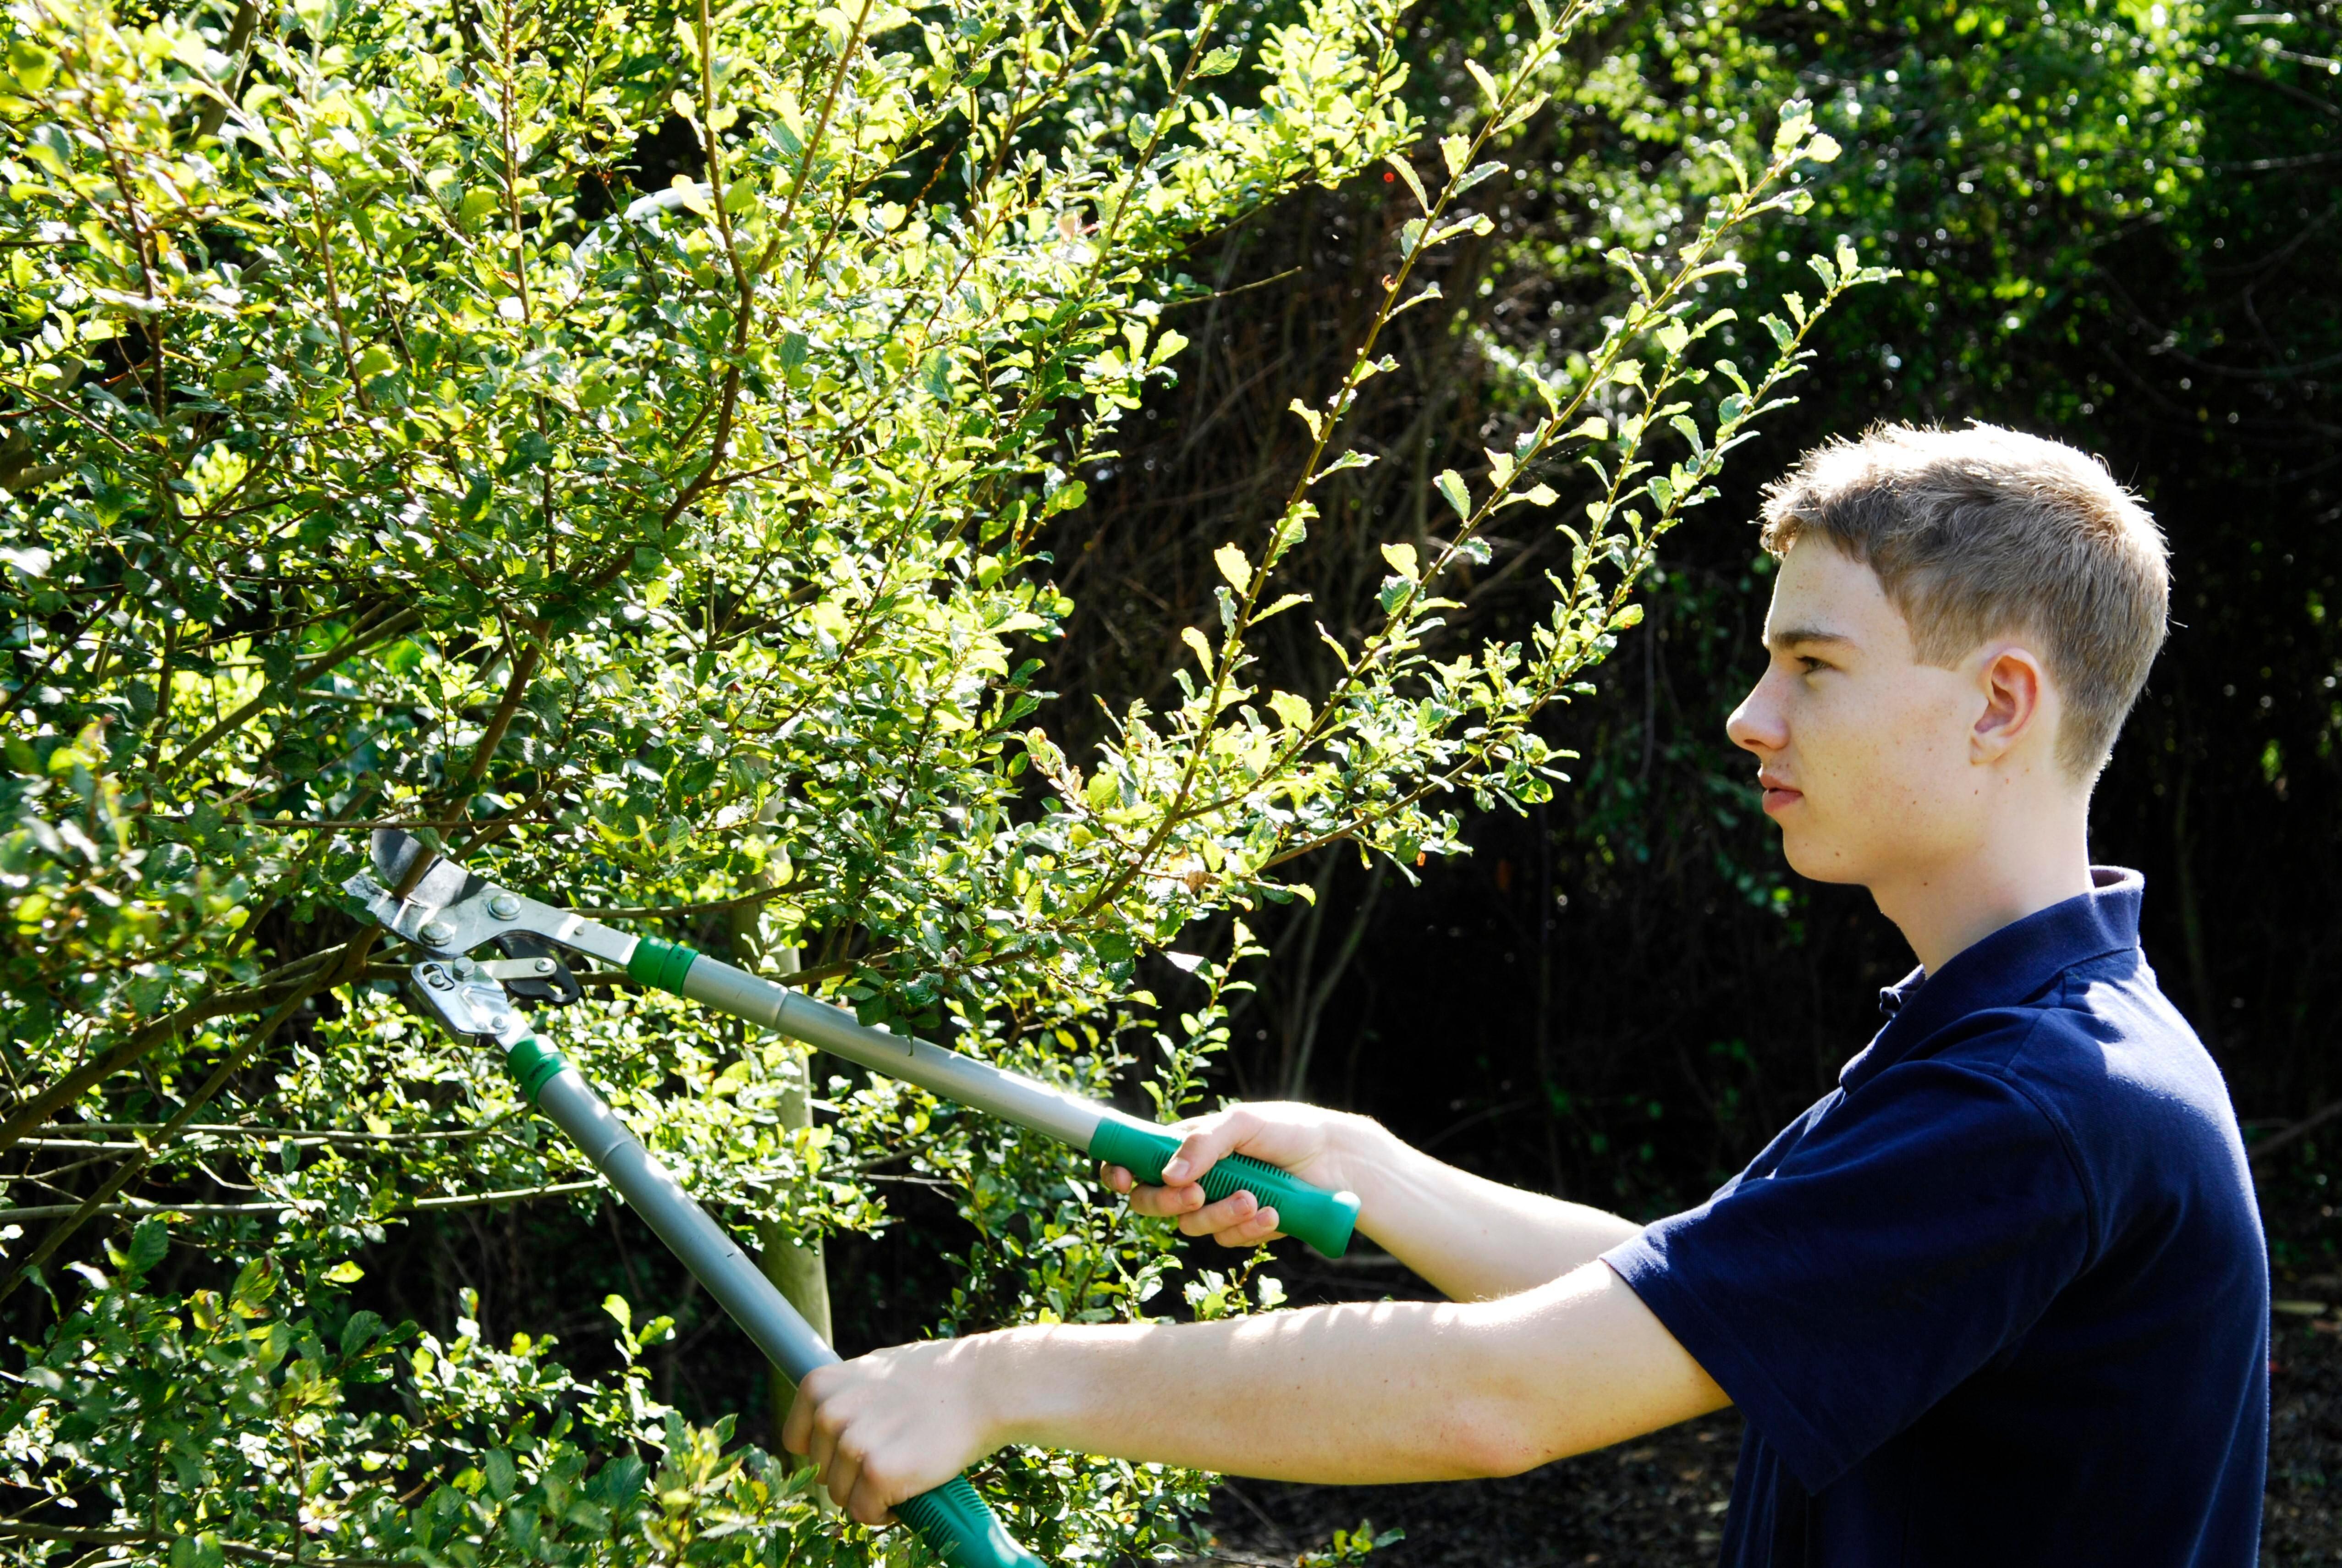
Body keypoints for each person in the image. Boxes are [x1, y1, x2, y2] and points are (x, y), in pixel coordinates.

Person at [781, 424, 2270, 1565]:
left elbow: (1499, 1396)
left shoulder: (2037, 1103)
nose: (1752, 718)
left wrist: (994, 1381)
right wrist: (1373, 1172)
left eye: (1813, 665)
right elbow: (1708, 1303)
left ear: (2001, 702)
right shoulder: (2022, 1040)